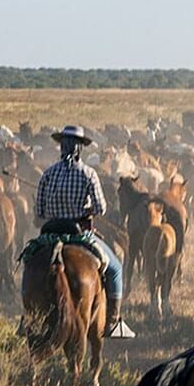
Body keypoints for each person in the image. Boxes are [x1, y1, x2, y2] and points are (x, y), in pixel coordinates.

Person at [33, 125, 134, 339]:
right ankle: (113, 322)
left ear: (61, 147)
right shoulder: (88, 173)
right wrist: (85, 209)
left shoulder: (48, 174)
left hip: (50, 234)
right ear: (80, 149)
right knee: (115, 268)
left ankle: (30, 316)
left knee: (29, 263)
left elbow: (39, 212)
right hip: (79, 234)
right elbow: (100, 208)